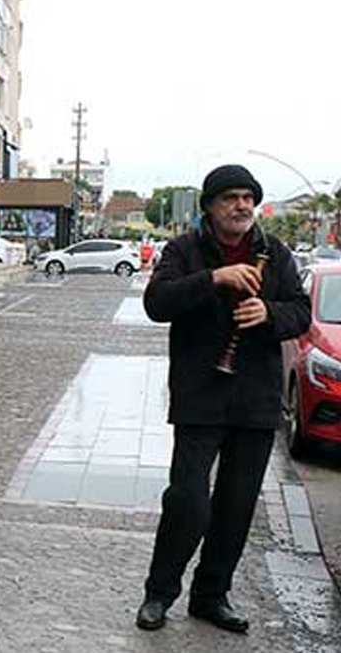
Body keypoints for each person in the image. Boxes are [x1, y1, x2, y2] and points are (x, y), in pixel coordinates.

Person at [136, 164, 310, 634]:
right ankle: (159, 593)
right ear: (210, 206)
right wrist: (214, 278)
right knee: (188, 500)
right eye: (231, 197)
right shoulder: (184, 250)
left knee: (236, 506)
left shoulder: (274, 253)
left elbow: (300, 312)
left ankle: (211, 596)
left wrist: (269, 312)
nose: (242, 206)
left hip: (256, 399)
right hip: (200, 396)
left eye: (248, 197)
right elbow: (157, 303)